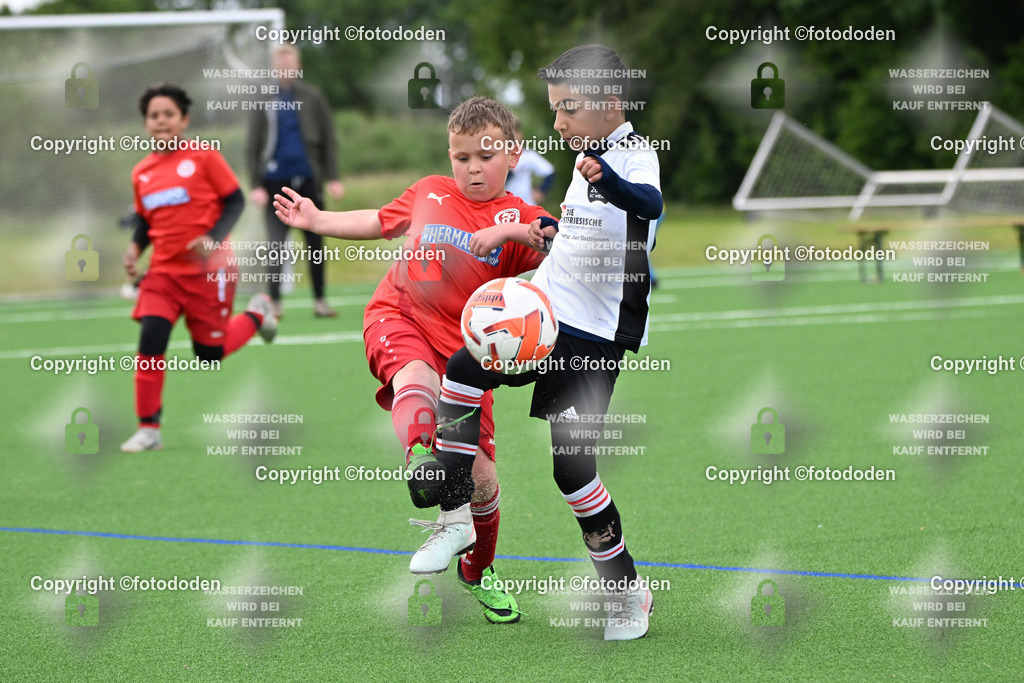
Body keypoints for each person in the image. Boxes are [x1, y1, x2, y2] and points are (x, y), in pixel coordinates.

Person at [273, 97, 557, 623]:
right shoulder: (429, 191)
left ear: (513, 155)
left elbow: (555, 240)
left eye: (486, 156)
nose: (473, 168)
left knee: (483, 480)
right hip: (399, 315)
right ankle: (429, 474)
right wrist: (316, 219)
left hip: (468, 355)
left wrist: (509, 232)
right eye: (462, 157)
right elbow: (376, 220)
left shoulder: (518, 214)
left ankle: (478, 568)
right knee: (417, 382)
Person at [415, 45, 663, 641]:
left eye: (568, 108)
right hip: (546, 315)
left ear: (610, 102)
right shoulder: (584, 160)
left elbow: (648, 205)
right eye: (554, 109)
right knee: (463, 368)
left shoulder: (635, 154)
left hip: (594, 335)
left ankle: (627, 593)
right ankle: (456, 512)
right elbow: (573, 239)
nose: (558, 121)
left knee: (573, 472)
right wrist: (519, 230)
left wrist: (609, 181)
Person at [121, 84, 278, 453]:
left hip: (210, 273)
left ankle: (257, 314)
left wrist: (212, 238)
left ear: (184, 120)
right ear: (145, 124)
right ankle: (148, 429)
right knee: (150, 342)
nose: (161, 121)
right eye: (154, 116)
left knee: (209, 354)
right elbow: (146, 221)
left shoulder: (204, 157)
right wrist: (134, 249)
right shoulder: (141, 172)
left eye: (168, 114)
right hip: (163, 275)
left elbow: (235, 202)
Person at [246, 45, 344, 319]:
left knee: (315, 244)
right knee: (275, 245)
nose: (285, 68)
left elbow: (329, 139)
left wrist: (333, 177)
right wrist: (255, 185)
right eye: (281, 63)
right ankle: (274, 304)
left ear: (298, 66)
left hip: (309, 180)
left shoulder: (313, 97)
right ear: (274, 67)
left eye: (290, 63)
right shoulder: (263, 99)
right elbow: (252, 145)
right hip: (274, 183)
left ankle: (320, 301)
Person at [505, 123, 556, 205]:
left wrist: (541, 190)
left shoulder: (528, 155)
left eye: (516, 130)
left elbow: (550, 172)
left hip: (526, 204)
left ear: (521, 134)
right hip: (504, 205)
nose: (514, 135)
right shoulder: (496, 157)